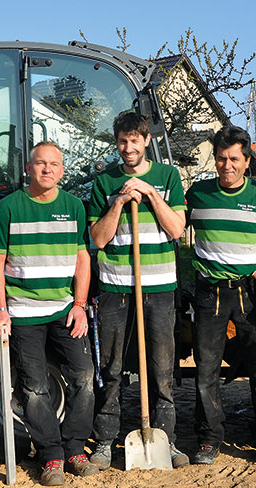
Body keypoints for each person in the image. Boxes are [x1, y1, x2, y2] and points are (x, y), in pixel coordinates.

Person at [0, 141, 97, 486]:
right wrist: (1, 309)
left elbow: (82, 259)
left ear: (62, 170)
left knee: (84, 378)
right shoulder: (9, 207)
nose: (47, 169)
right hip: (23, 313)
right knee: (34, 389)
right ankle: (51, 457)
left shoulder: (75, 206)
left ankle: (76, 448)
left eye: (54, 164)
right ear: (29, 168)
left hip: (64, 310)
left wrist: (79, 305)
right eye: (40, 163)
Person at [89, 112, 189, 469]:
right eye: (122, 141)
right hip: (116, 287)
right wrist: (117, 202)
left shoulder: (167, 177)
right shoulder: (104, 182)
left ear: (147, 140)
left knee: (162, 369)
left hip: (158, 286)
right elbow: (98, 239)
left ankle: (167, 439)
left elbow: (177, 229)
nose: (128, 148)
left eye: (135, 140)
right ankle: (104, 441)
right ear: (116, 143)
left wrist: (149, 194)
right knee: (112, 367)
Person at [185, 125, 256, 466]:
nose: (227, 165)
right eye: (221, 159)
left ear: (247, 160)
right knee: (206, 371)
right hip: (209, 292)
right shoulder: (197, 194)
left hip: (251, 292)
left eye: (234, 159)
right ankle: (209, 440)